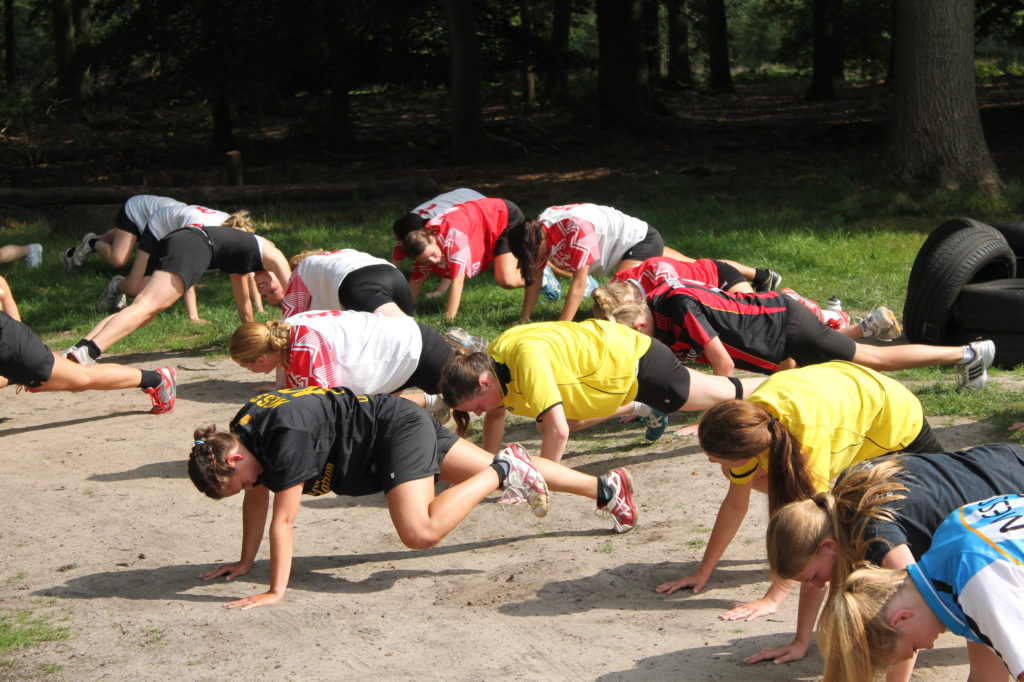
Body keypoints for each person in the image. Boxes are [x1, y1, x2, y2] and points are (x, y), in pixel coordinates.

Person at [188, 386, 639, 609]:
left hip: (392, 433)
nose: (249, 487)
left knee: (419, 532)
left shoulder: (283, 439)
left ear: (230, 460)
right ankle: (606, 488)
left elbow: (282, 520)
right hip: (394, 419)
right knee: (478, 469)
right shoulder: (245, 428)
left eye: (241, 482)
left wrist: (274, 589)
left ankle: (505, 471)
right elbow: (257, 496)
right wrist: (246, 561)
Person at [654, 360, 942, 598]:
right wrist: (703, 571)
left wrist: (772, 599)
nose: (710, 460)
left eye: (715, 455)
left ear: (746, 454)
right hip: (850, 394)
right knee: (743, 480)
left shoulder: (806, 446)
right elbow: (734, 505)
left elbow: (812, 539)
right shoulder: (753, 423)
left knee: (943, 513)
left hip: (895, 419)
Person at [743, 443, 1024, 679]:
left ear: (827, 546)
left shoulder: (877, 539)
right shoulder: (846, 491)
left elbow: (905, 617)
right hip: (1001, 463)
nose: (819, 584)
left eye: (813, 576)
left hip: (1008, 490)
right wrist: (801, 640)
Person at [438, 319, 763, 461]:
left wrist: (540, 479)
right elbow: (497, 415)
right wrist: (489, 464)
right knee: (545, 422)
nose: (479, 414)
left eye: (476, 407)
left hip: (642, 369)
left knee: (727, 394)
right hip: (626, 360)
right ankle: (785, 381)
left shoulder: (524, 361)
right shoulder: (496, 359)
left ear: (483, 382)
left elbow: (559, 432)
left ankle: (784, 384)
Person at [603, 282, 995, 390]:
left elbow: (722, 365)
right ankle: (867, 325)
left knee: (873, 359)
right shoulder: (656, 316)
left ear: (639, 324)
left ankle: (968, 353)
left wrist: (715, 409)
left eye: (636, 338)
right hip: (774, 349)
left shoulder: (674, 306)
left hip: (785, 325)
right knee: (806, 383)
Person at [820, 493, 1024, 682]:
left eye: (914, 646)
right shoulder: (950, 534)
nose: (929, 647)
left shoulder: (978, 590)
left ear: (901, 618)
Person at [61, 224, 291, 365]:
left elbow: (244, 306)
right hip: (195, 245)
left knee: (143, 309)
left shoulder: (248, 260)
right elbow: (294, 295)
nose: (264, 289)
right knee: (147, 306)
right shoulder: (273, 254)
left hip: (179, 239)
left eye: (266, 295)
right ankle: (87, 352)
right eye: (272, 290)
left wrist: (249, 339)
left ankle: (82, 347)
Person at [227, 310, 452, 419]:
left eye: (247, 367)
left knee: (468, 397)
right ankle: (434, 401)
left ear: (262, 359)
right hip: (394, 354)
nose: (250, 372)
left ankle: (483, 464)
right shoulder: (285, 334)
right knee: (379, 411)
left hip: (416, 350)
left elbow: (330, 409)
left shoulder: (305, 349)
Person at [508, 203, 690, 324]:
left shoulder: (575, 229)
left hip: (639, 241)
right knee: (692, 266)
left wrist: (561, 328)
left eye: (534, 256)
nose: (535, 261)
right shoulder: (536, 231)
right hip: (621, 243)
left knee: (616, 304)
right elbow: (534, 279)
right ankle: (715, 268)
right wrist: (524, 320)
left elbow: (579, 285)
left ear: (540, 241)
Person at [96, 204, 257, 321]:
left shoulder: (235, 226)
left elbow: (246, 270)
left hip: (180, 222)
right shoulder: (201, 231)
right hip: (159, 226)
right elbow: (186, 268)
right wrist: (194, 317)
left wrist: (259, 309)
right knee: (136, 290)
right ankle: (115, 285)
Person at [596, 258, 850, 330]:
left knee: (754, 314)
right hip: (701, 292)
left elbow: (692, 295)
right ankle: (828, 317)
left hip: (719, 277)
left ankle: (800, 305)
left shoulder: (658, 276)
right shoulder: (616, 286)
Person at [0, 311, 175, 412]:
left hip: (6, 342)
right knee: (61, 380)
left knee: (80, 378)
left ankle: (157, 379)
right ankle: (22, 376)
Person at [403, 197, 527, 320]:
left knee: (506, 279)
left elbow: (458, 282)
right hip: (485, 220)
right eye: (427, 261)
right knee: (510, 268)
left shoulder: (454, 239)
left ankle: (540, 278)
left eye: (433, 255)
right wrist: (404, 316)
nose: (434, 261)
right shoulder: (423, 245)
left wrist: (447, 321)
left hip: (505, 216)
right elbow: (416, 282)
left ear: (431, 239)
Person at [254, 248, 413, 319]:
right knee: (408, 337)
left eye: (272, 292)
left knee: (405, 330)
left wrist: (281, 383)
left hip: (357, 281)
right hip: (392, 273)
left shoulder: (299, 273)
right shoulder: (335, 259)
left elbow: (289, 328)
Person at [60, 194, 185, 269]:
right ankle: (92, 242)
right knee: (117, 260)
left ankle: (72, 252)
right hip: (136, 211)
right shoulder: (183, 231)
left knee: (112, 239)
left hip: (150, 218)